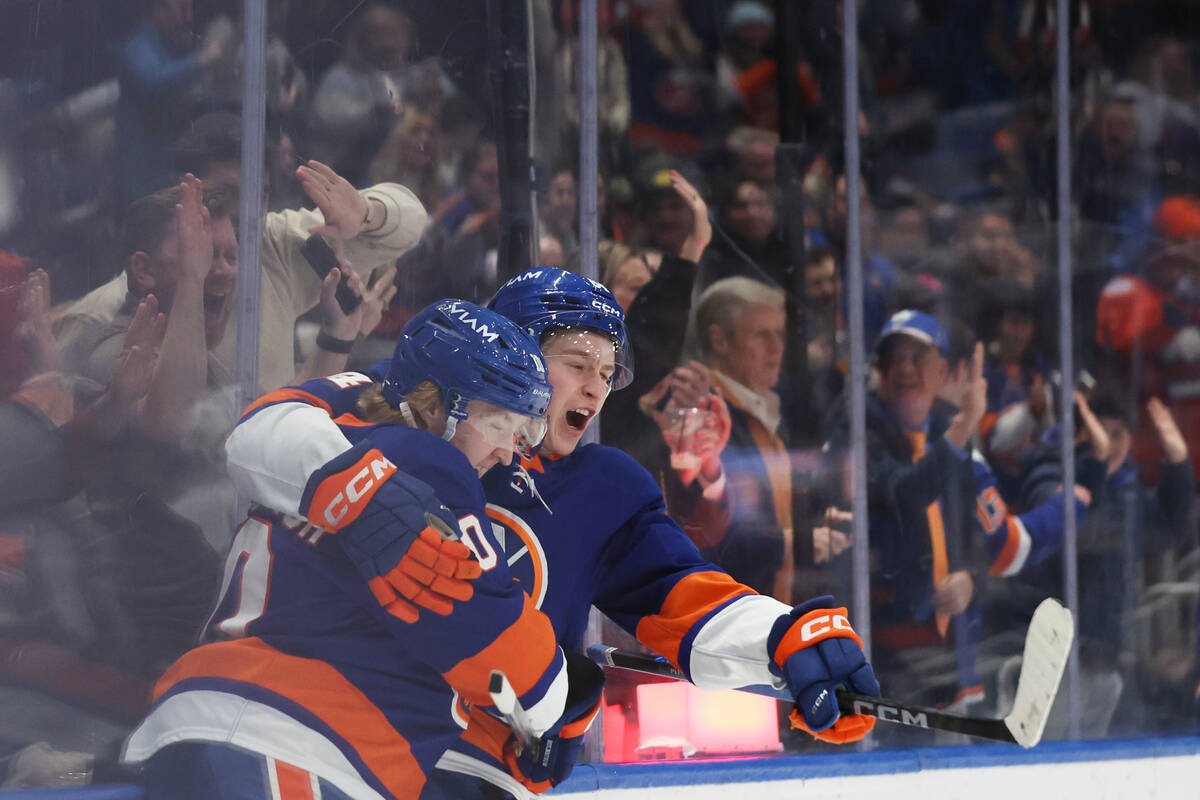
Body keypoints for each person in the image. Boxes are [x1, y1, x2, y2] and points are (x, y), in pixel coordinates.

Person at [224, 267, 881, 795]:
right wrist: (372, 495)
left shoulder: (604, 487)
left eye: (606, 372)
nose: (596, 389)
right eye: (577, 363)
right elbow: (266, 432)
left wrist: (784, 638)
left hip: (477, 769)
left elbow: (684, 599)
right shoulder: (414, 404)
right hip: (337, 723)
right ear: (509, 350)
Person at [123, 300, 585, 800]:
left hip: (195, 724)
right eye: (498, 425)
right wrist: (568, 690)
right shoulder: (433, 464)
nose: (506, 453)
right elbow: (524, 678)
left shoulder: (337, 438)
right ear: (435, 408)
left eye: (520, 433)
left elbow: (261, 427)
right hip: (300, 746)